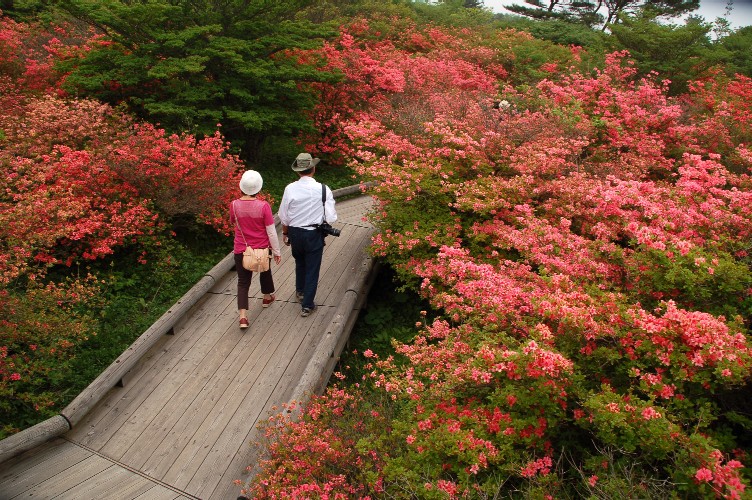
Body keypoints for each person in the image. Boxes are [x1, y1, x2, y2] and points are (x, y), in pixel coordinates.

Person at [278, 153, 337, 317]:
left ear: (298, 171)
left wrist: (285, 233)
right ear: (314, 168)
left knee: (300, 261)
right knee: (312, 267)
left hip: (295, 232)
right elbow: (331, 217)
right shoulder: (324, 189)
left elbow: (284, 215)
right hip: (314, 233)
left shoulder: (290, 188)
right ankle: (307, 305)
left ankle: (300, 291)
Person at [231, 170, 281, 329]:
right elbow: (271, 231)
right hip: (262, 248)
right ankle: (267, 297)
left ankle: (243, 317)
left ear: (242, 187)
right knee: (265, 270)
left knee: (243, 282)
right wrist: (277, 251)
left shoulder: (234, 205)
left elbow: (233, 221)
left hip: (241, 248)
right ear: (258, 188)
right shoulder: (264, 206)